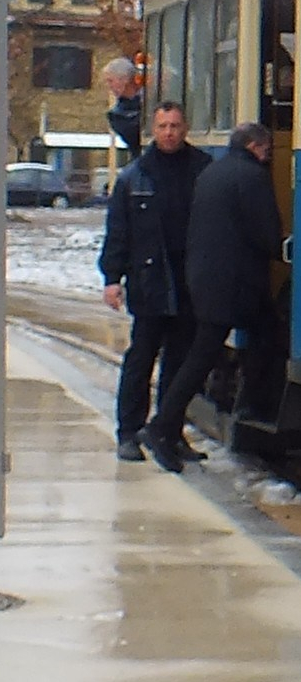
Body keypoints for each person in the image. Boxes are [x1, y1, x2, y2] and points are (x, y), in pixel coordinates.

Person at [144, 120, 287, 472]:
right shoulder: (253, 178)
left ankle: (172, 427)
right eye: (267, 150)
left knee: (215, 351)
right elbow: (268, 235)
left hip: (208, 280)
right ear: (255, 147)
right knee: (217, 353)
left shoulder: (213, 172)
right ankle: (163, 427)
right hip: (234, 285)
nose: (268, 155)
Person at [97, 99, 211, 463]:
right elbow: (118, 232)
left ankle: (169, 432)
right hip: (149, 283)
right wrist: (111, 278)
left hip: (190, 283)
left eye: (175, 126)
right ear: (153, 130)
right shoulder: (134, 177)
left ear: (185, 128)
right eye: (162, 126)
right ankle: (128, 432)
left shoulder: (203, 170)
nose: (169, 133)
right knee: (140, 359)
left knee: (179, 365)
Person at [103, 54, 143, 161]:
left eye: (110, 80)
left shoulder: (150, 98)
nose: (109, 86)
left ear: (124, 79)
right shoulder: (116, 115)